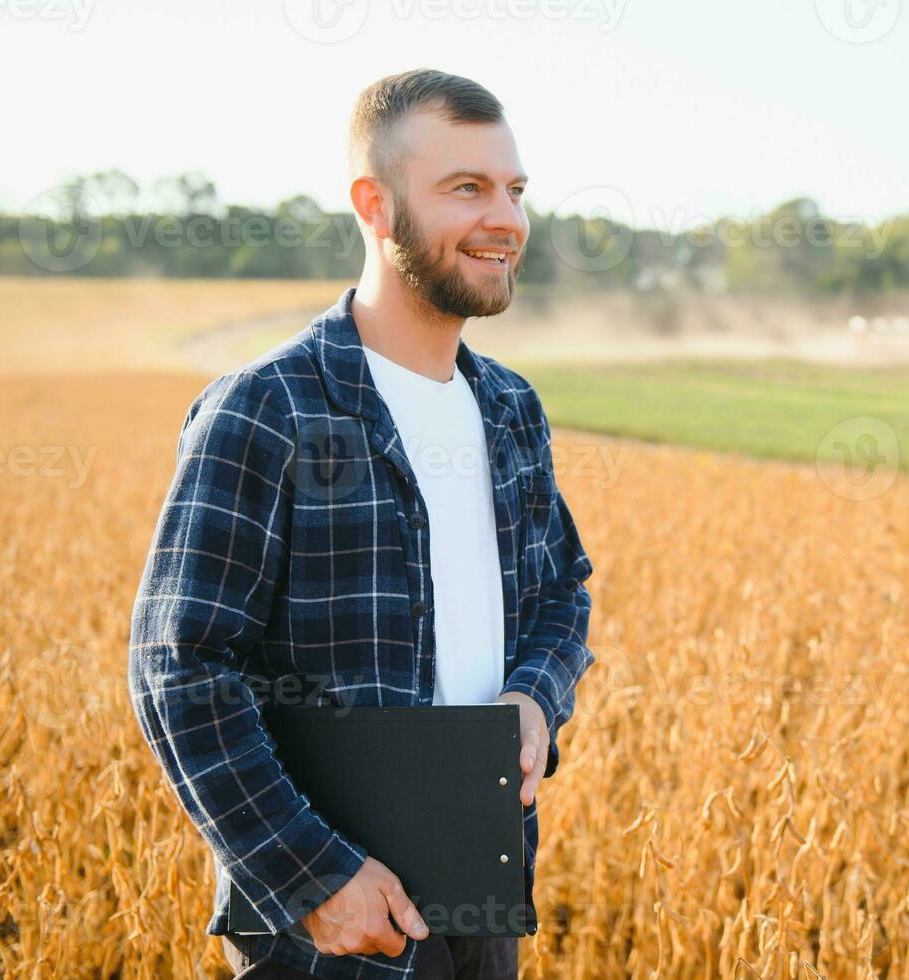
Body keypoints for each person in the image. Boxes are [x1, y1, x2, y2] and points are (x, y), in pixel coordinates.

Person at [127, 68, 595, 980]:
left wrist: (535, 697)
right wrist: (313, 879)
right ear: (374, 206)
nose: (505, 218)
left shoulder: (508, 408)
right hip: (328, 930)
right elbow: (177, 669)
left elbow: (559, 593)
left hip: (481, 890)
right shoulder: (268, 409)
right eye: (466, 188)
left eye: (514, 190)